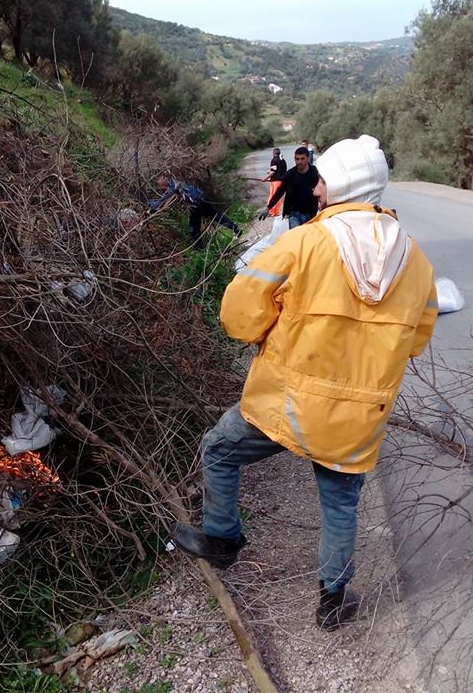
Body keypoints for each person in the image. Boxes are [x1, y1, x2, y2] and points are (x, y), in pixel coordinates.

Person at [171, 135, 438, 630]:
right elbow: (415, 341)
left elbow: (238, 317)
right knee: (341, 503)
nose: (314, 190)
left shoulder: (301, 244)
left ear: (338, 185)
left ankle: (223, 539)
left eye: (321, 182)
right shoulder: (417, 263)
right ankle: (332, 599)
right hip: (357, 420)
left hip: (287, 404)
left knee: (220, 449)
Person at [149, 176, 241, 249]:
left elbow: (162, 201)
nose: (160, 189)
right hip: (202, 198)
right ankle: (236, 229)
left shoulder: (171, 188)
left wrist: (151, 209)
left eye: (160, 186)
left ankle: (200, 248)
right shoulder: (177, 182)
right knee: (217, 215)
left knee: (194, 228)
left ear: (163, 184)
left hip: (195, 205)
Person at [260, 147, 319, 228]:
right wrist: (268, 207)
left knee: (308, 238)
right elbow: (280, 192)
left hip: (310, 213)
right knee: (295, 236)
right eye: (297, 159)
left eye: (302, 159)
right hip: (294, 213)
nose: (299, 162)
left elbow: (321, 189)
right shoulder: (290, 175)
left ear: (308, 158)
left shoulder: (314, 172)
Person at [263, 147, 287, 217]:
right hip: (282, 181)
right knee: (278, 196)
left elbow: (273, 171)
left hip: (275, 181)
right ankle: (276, 212)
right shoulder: (283, 160)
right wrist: (269, 172)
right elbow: (280, 170)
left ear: (274, 153)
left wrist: (265, 178)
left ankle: (271, 211)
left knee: (273, 196)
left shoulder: (274, 160)